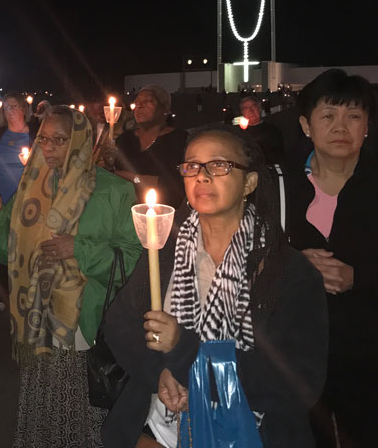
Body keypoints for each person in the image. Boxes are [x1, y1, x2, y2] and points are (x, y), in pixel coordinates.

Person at [103, 126, 328, 448]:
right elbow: (119, 324)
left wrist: (185, 356)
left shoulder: (287, 271)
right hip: (161, 431)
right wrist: (160, 372)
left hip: (250, 434)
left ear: (249, 182)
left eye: (219, 165)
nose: (202, 176)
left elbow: (299, 383)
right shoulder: (165, 253)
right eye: (192, 166)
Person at [0, 106, 141, 447]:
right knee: (43, 408)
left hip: (86, 322)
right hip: (38, 320)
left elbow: (133, 258)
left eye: (59, 140)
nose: (48, 148)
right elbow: (8, 251)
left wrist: (78, 249)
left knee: (82, 413)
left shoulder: (113, 191)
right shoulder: (31, 187)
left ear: (80, 141)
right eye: (43, 139)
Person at [284, 69, 376, 448]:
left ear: (367, 125)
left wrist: (360, 277)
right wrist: (295, 267)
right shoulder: (279, 186)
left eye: (353, 115)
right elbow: (250, 257)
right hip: (296, 353)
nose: (341, 126)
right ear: (306, 125)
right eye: (328, 115)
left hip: (368, 354)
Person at [0, 93, 35, 312]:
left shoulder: (36, 136)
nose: (9, 111)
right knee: (1, 248)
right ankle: (3, 291)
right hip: (0, 203)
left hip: (28, 205)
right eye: (6, 107)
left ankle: (27, 292)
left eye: (13, 106)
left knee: (26, 248)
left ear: (24, 108)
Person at [114, 86, 187, 209]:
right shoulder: (125, 139)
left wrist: (132, 177)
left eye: (148, 101)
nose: (139, 106)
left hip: (164, 211)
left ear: (165, 108)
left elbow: (173, 185)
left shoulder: (179, 140)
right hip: (126, 209)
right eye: (137, 102)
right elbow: (115, 177)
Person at [239, 95, 284, 163]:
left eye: (254, 107)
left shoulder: (272, 131)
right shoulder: (238, 132)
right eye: (246, 108)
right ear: (242, 112)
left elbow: (277, 155)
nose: (251, 111)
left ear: (260, 109)